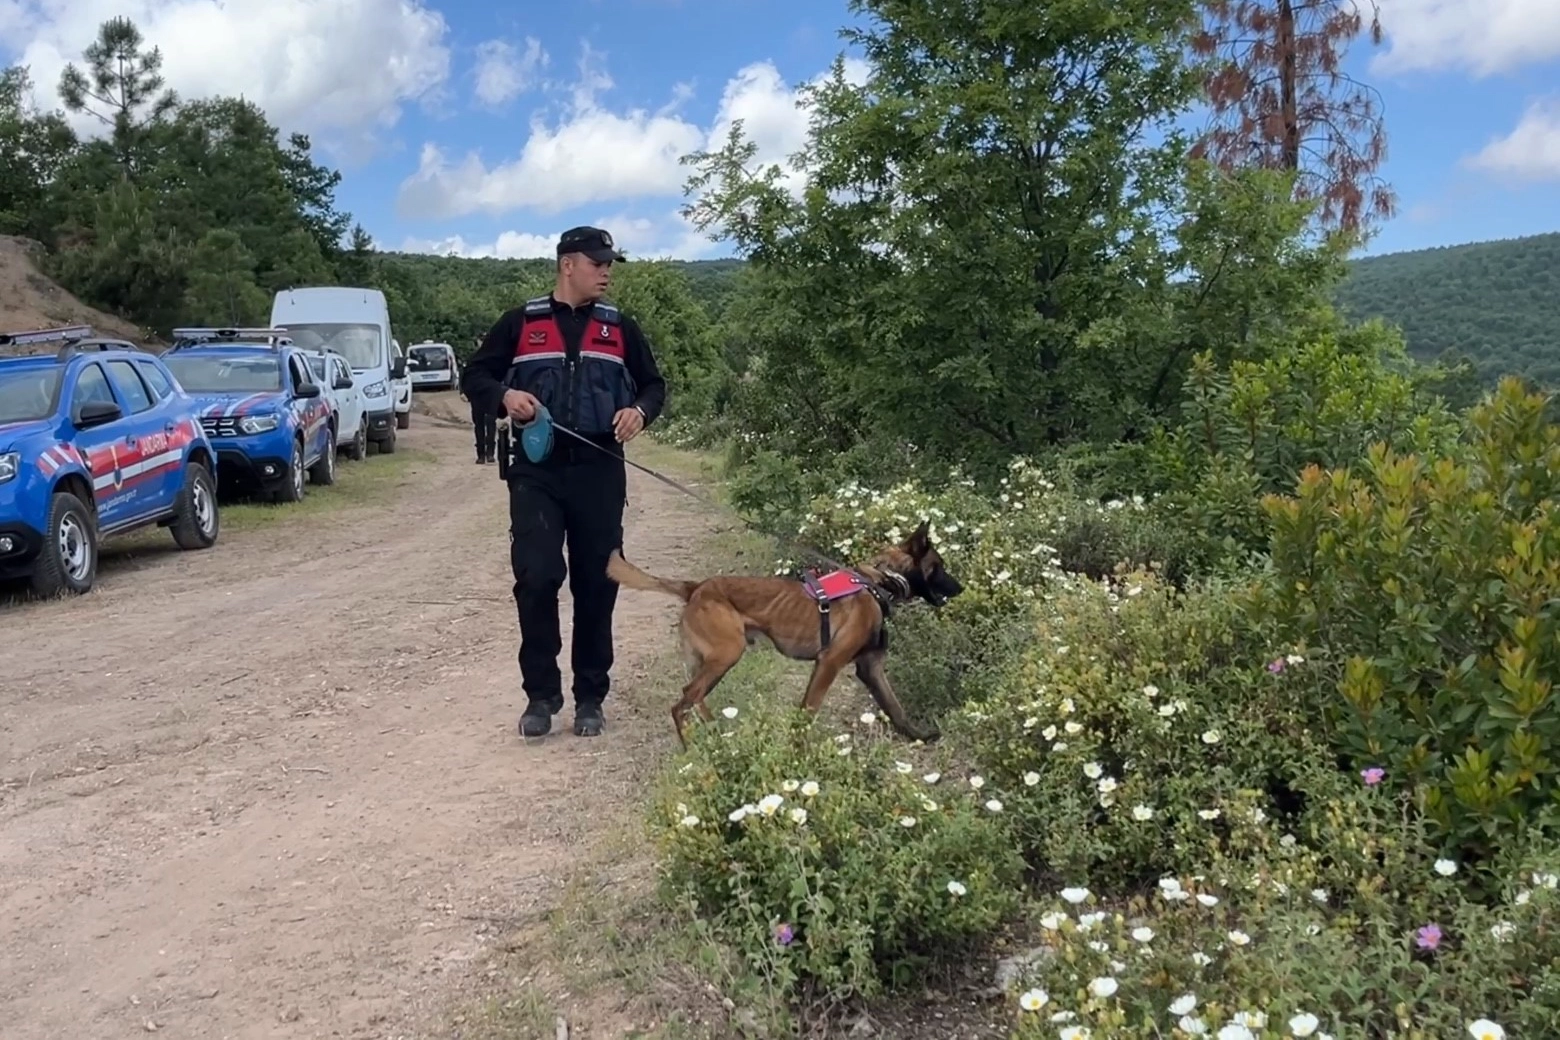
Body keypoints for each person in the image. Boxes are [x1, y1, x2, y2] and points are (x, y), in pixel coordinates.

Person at [461, 226, 667, 738]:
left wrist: (639, 412)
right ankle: (541, 695)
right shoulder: (520, 323)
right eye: (597, 262)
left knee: (597, 584)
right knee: (537, 577)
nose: (606, 271)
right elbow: (476, 377)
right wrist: (504, 398)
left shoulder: (621, 328)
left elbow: (654, 385)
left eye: (609, 263)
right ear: (567, 264)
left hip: (600, 468)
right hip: (537, 469)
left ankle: (590, 696)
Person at [462, 338, 498, 464]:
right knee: (479, 426)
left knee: (491, 424)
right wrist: (463, 391)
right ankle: (481, 454)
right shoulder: (473, 358)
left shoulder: (495, 358)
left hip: (491, 396)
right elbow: (465, 375)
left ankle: (490, 453)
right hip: (477, 396)